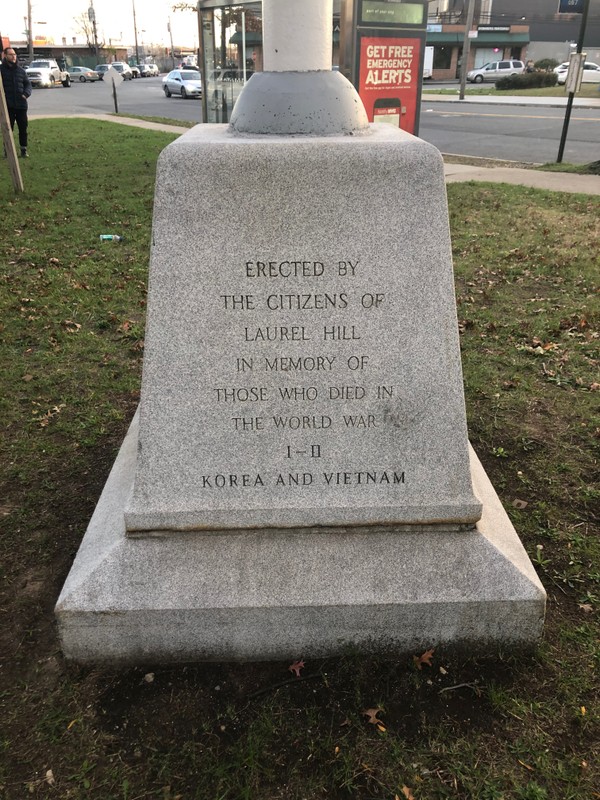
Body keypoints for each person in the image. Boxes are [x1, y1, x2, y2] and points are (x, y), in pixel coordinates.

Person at [1, 47, 32, 158]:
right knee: (8, 129)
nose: (14, 56)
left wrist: (26, 94)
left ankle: (23, 150)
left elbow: (28, 84)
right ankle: (7, 150)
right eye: (11, 54)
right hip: (7, 106)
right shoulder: (1, 70)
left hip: (21, 105)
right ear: (5, 56)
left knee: (23, 128)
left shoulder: (21, 71)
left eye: (14, 54)